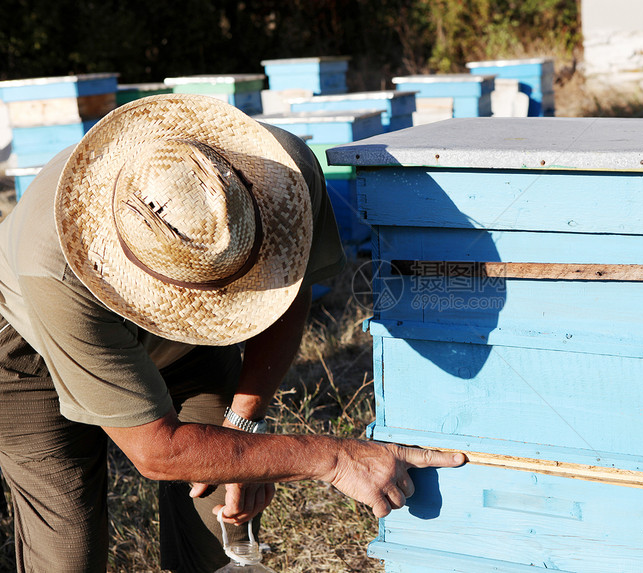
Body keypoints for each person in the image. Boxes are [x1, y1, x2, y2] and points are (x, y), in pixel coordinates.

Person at [0, 94, 464, 572]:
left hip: (188, 353)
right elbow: (158, 451)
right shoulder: (53, 273)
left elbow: (286, 288)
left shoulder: (282, 172)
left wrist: (245, 424)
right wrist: (334, 458)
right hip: (28, 350)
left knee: (220, 520)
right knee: (67, 551)